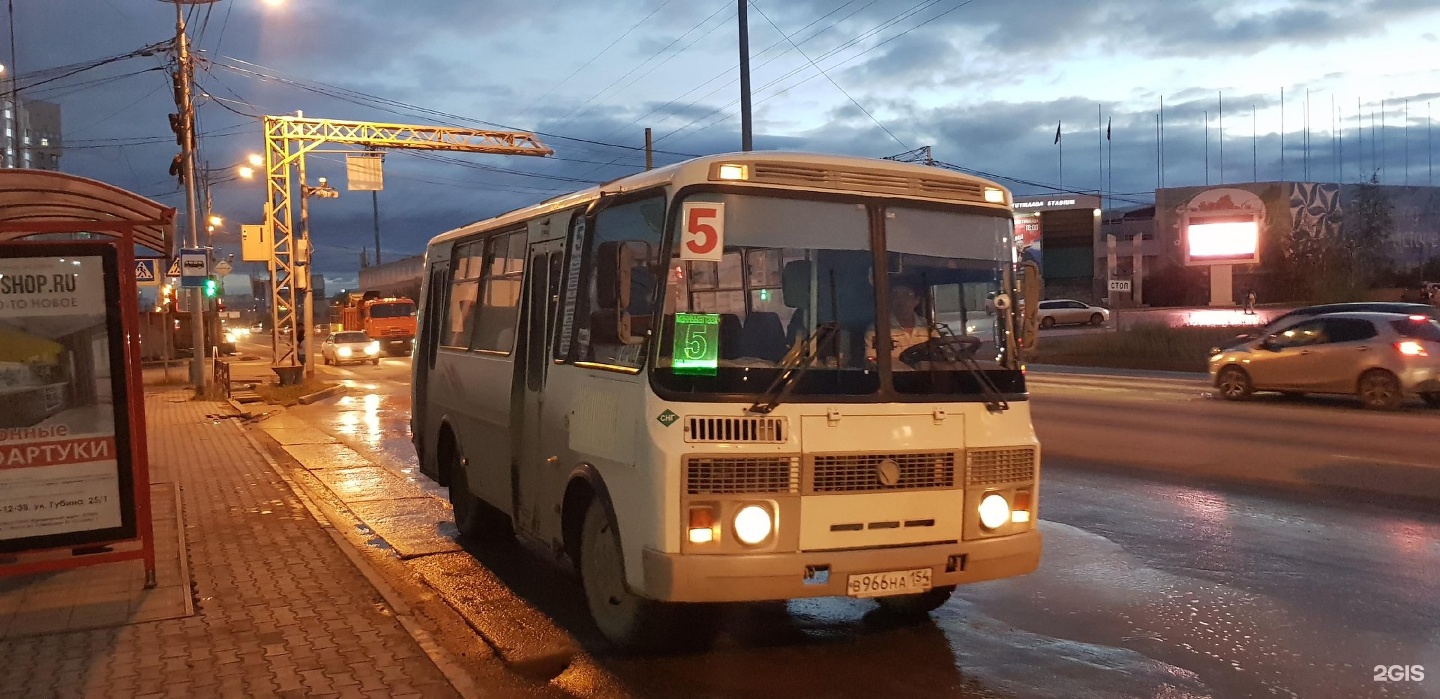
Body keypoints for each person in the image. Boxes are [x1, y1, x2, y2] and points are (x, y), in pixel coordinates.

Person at [866, 280, 933, 366]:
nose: (901, 300)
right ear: (889, 300)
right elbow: (872, 362)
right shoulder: (877, 330)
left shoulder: (929, 328)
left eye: (907, 294)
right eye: (895, 295)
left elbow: (939, 358)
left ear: (917, 300)